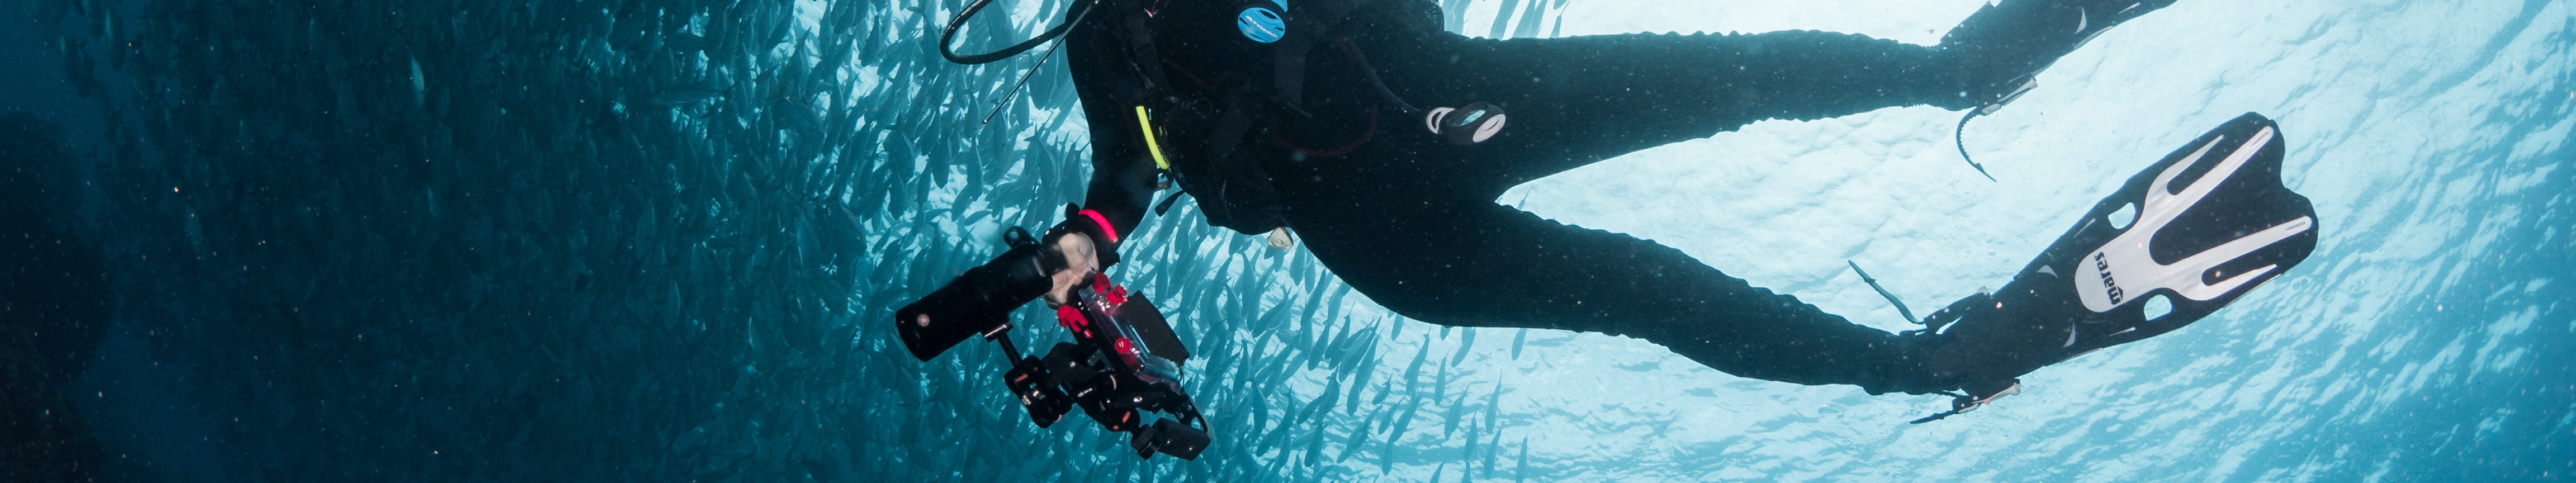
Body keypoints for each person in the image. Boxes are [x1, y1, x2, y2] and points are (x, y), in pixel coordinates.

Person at [896, 0, 2319, 418]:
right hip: (1394, 245)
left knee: (1736, 75)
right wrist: (1085, 243)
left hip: (1447, 91)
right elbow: (1125, 175)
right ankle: (1949, 356)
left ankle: (1971, 65)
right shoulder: (1103, 45)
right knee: (1652, 290)